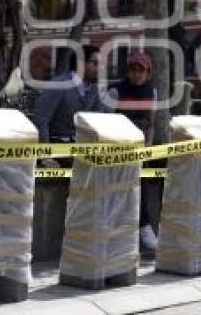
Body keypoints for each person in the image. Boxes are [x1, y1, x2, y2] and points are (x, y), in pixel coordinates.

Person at [107, 52, 166, 255]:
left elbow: (151, 122)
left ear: (148, 73)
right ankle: (144, 229)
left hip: (140, 147)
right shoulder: (116, 91)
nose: (136, 74)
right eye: (133, 69)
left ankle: (149, 227)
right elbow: (105, 122)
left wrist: (147, 149)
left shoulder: (152, 92)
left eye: (141, 70)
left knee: (147, 183)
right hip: (118, 147)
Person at [33, 45, 106, 147]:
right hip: (57, 147)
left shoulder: (96, 89)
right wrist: (45, 154)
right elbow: (41, 120)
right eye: (96, 64)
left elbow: (98, 121)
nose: (101, 68)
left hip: (83, 149)